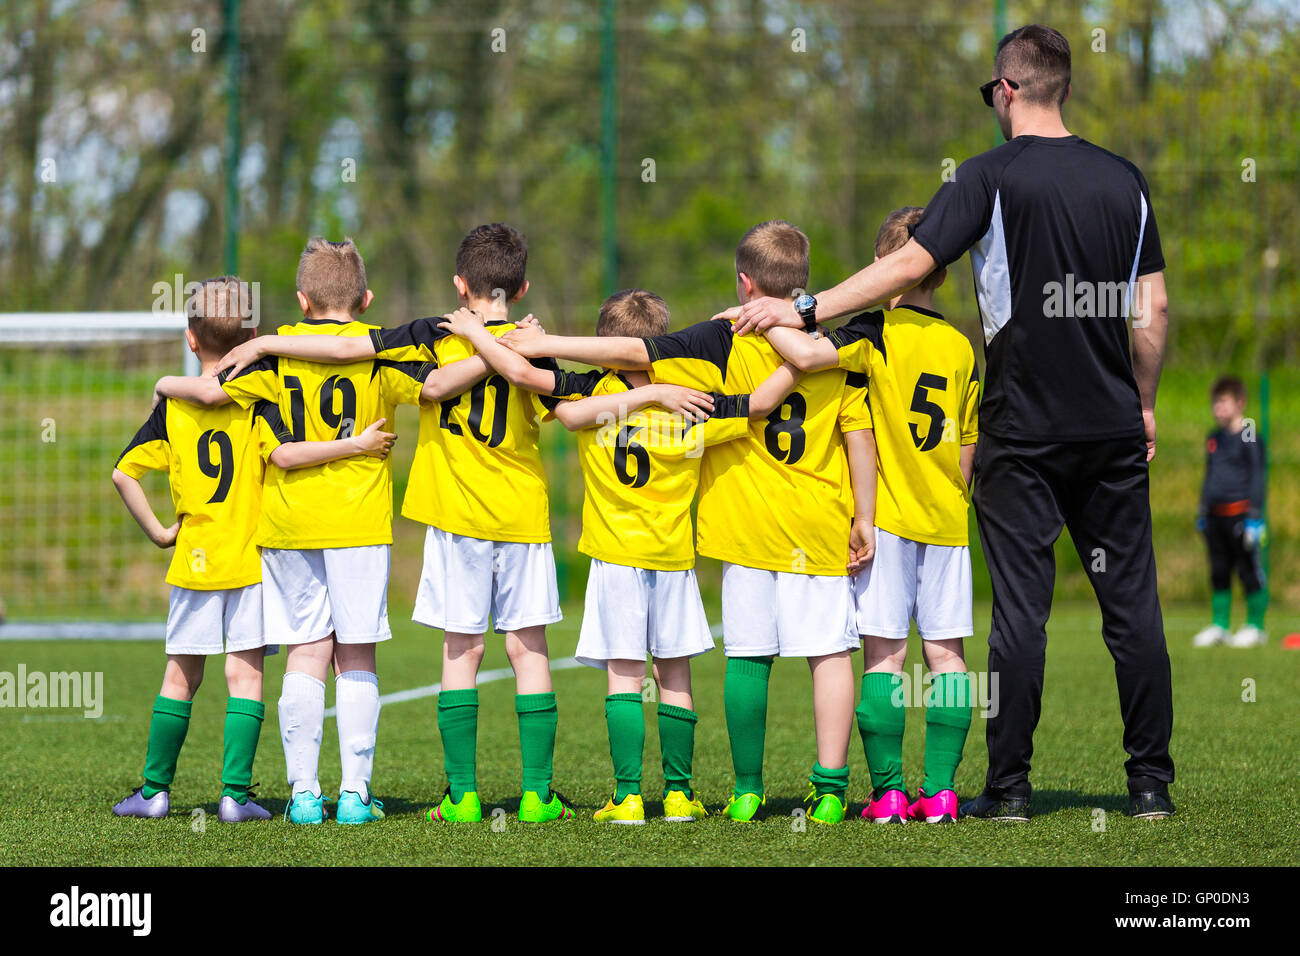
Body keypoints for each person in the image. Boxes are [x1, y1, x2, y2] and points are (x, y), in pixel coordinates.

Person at [721, 25, 1174, 821]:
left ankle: (1010, 789)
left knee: (1021, 616)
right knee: (1132, 609)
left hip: (1022, 433)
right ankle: (1149, 785)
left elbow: (906, 265)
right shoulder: (1125, 180)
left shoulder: (987, 176)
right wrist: (1142, 400)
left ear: (1005, 90)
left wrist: (804, 306)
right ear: (1064, 89)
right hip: (1109, 427)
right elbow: (1154, 310)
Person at [503, 221, 877, 825]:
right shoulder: (828, 354)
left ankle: (707, 792)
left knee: (716, 662)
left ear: (744, 283)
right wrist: (865, 514)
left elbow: (584, 382)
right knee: (824, 654)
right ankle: (808, 790)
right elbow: (805, 419)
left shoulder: (692, 363)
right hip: (786, 531)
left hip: (707, 535)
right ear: (801, 284)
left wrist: (529, 341)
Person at [155, 240, 448, 825]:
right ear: (365, 299)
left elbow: (212, 390)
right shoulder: (379, 352)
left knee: (304, 652)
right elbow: (437, 386)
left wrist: (165, 384)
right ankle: (356, 796)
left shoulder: (273, 354)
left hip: (288, 525)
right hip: (359, 523)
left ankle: (305, 795)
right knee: (356, 652)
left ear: (301, 300)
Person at [500, 288, 798, 824]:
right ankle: (679, 795)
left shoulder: (594, 395)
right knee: (674, 675)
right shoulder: (690, 397)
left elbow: (558, 403)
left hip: (616, 553)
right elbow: (758, 405)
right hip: (674, 557)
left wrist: (534, 339)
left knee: (624, 675)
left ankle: (629, 797)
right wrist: (804, 355)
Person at [112, 276, 395, 822]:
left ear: (190, 339)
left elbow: (124, 474)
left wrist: (161, 532)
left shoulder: (173, 406)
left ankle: (154, 792)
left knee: (180, 676)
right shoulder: (258, 399)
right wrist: (354, 445)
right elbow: (285, 454)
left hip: (195, 560)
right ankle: (234, 797)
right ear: (252, 339)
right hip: (249, 560)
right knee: (245, 678)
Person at [761, 206, 980, 824]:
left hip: (886, 519)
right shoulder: (962, 347)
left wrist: (763, 316)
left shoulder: (872, 331)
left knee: (885, 657)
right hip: (947, 520)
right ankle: (941, 794)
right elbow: (968, 446)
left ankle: (888, 794)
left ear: (882, 267)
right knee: (947, 656)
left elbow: (807, 358)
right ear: (941, 274)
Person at [1192, 375, 1268, 648]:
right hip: (1216, 516)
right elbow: (1210, 475)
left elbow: (1258, 475)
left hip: (1241, 515)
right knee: (1219, 570)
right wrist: (1203, 511)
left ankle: (1256, 627)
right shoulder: (1214, 438)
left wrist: (1254, 517)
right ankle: (1220, 626)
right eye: (1215, 402)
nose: (1218, 408)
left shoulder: (1249, 433)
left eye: (1223, 402)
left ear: (1240, 403)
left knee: (1247, 570)